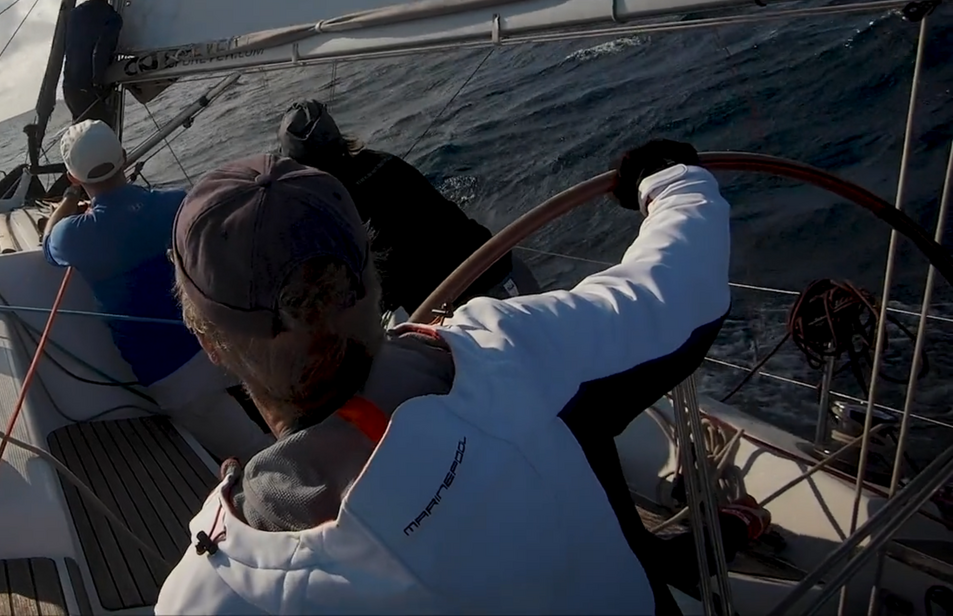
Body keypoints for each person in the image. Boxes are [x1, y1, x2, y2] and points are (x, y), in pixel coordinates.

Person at [157, 141, 769, 615]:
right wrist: (673, 180)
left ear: (210, 344)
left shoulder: (209, 595)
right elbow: (675, 291)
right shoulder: (513, 352)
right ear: (373, 274)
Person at [43, 120, 272, 463]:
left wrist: (67, 201)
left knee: (254, 454)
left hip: (174, 375)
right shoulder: (177, 201)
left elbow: (48, 242)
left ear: (73, 177)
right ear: (123, 157)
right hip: (227, 339)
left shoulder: (73, 236)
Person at [278, 99, 531, 317]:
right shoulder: (382, 160)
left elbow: (387, 275)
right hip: (509, 273)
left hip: (466, 308)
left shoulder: (333, 202)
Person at [61, 0, 122, 125]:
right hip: (90, 91)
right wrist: (99, 84)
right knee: (104, 134)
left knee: (85, 133)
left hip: (70, 90)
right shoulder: (112, 18)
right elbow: (100, 51)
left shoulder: (74, 14)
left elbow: (72, 49)